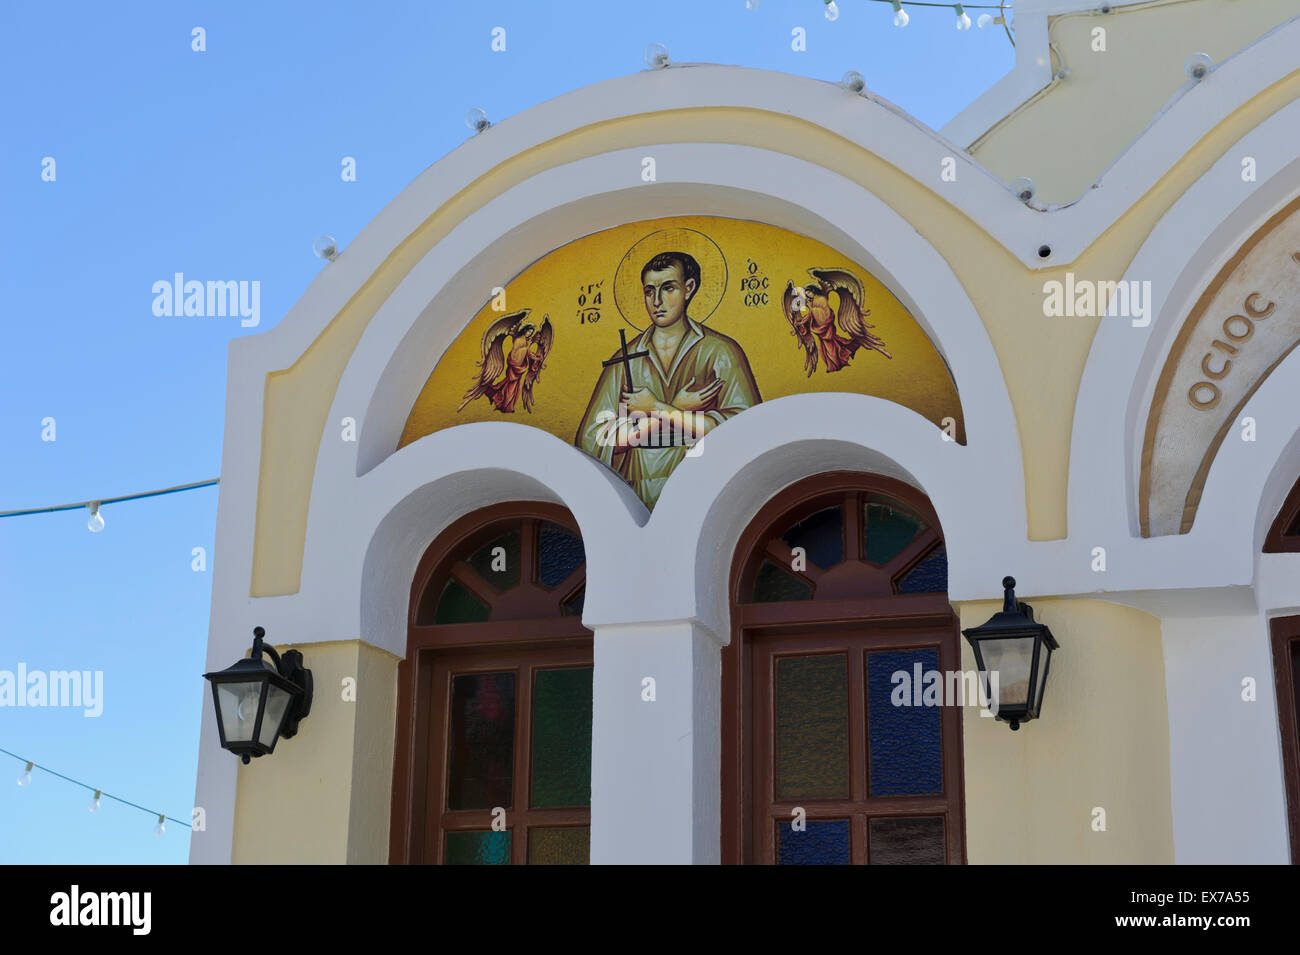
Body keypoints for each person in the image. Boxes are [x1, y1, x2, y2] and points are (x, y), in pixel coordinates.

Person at [576, 251, 761, 508]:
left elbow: (746, 428)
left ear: (689, 288)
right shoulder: (624, 359)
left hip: (703, 483)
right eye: (649, 291)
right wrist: (677, 409)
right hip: (636, 486)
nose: (657, 301)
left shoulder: (720, 351)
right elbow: (592, 438)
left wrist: (658, 408)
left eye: (668, 288)